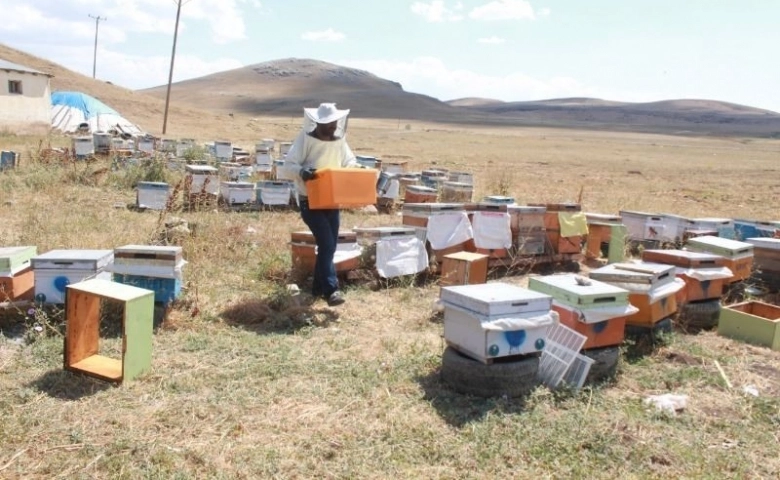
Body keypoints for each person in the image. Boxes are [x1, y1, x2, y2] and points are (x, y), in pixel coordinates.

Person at [285, 103, 361, 306]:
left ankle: (317, 289)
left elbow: (349, 160)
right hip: (309, 200)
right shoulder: (305, 138)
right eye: (329, 123)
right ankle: (331, 290)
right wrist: (302, 172)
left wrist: (356, 168)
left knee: (330, 245)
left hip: (332, 199)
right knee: (327, 244)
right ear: (318, 122)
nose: (333, 126)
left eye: (335, 121)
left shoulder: (339, 140)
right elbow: (288, 164)